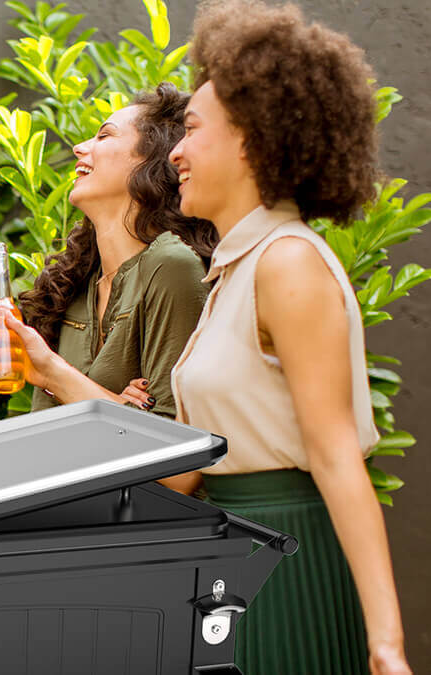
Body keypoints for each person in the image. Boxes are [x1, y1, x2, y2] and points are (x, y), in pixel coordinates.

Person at [162, 1, 412, 673]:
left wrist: (386, 646)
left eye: (189, 130)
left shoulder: (287, 263)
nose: (175, 153)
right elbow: (196, 461)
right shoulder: (236, 272)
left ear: (251, 139)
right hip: (235, 563)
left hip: (288, 562)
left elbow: (336, 458)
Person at [0, 84, 215, 415]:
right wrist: (116, 402)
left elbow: (173, 440)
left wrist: (50, 371)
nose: (79, 148)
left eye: (104, 136)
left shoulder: (171, 266)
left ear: (153, 160)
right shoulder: (72, 283)